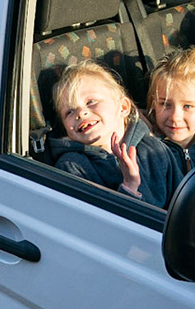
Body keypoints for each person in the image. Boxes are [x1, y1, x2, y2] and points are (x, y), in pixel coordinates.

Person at [44, 59, 178, 205]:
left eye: (91, 102)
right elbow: (95, 223)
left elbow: (185, 201)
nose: (81, 113)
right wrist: (129, 187)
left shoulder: (153, 148)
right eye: (69, 112)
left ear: (123, 107)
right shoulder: (72, 167)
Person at [145, 47, 195, 177]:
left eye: (187, 106)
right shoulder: (149, 150)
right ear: (153, 103)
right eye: (165, 104)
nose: (175, 117)